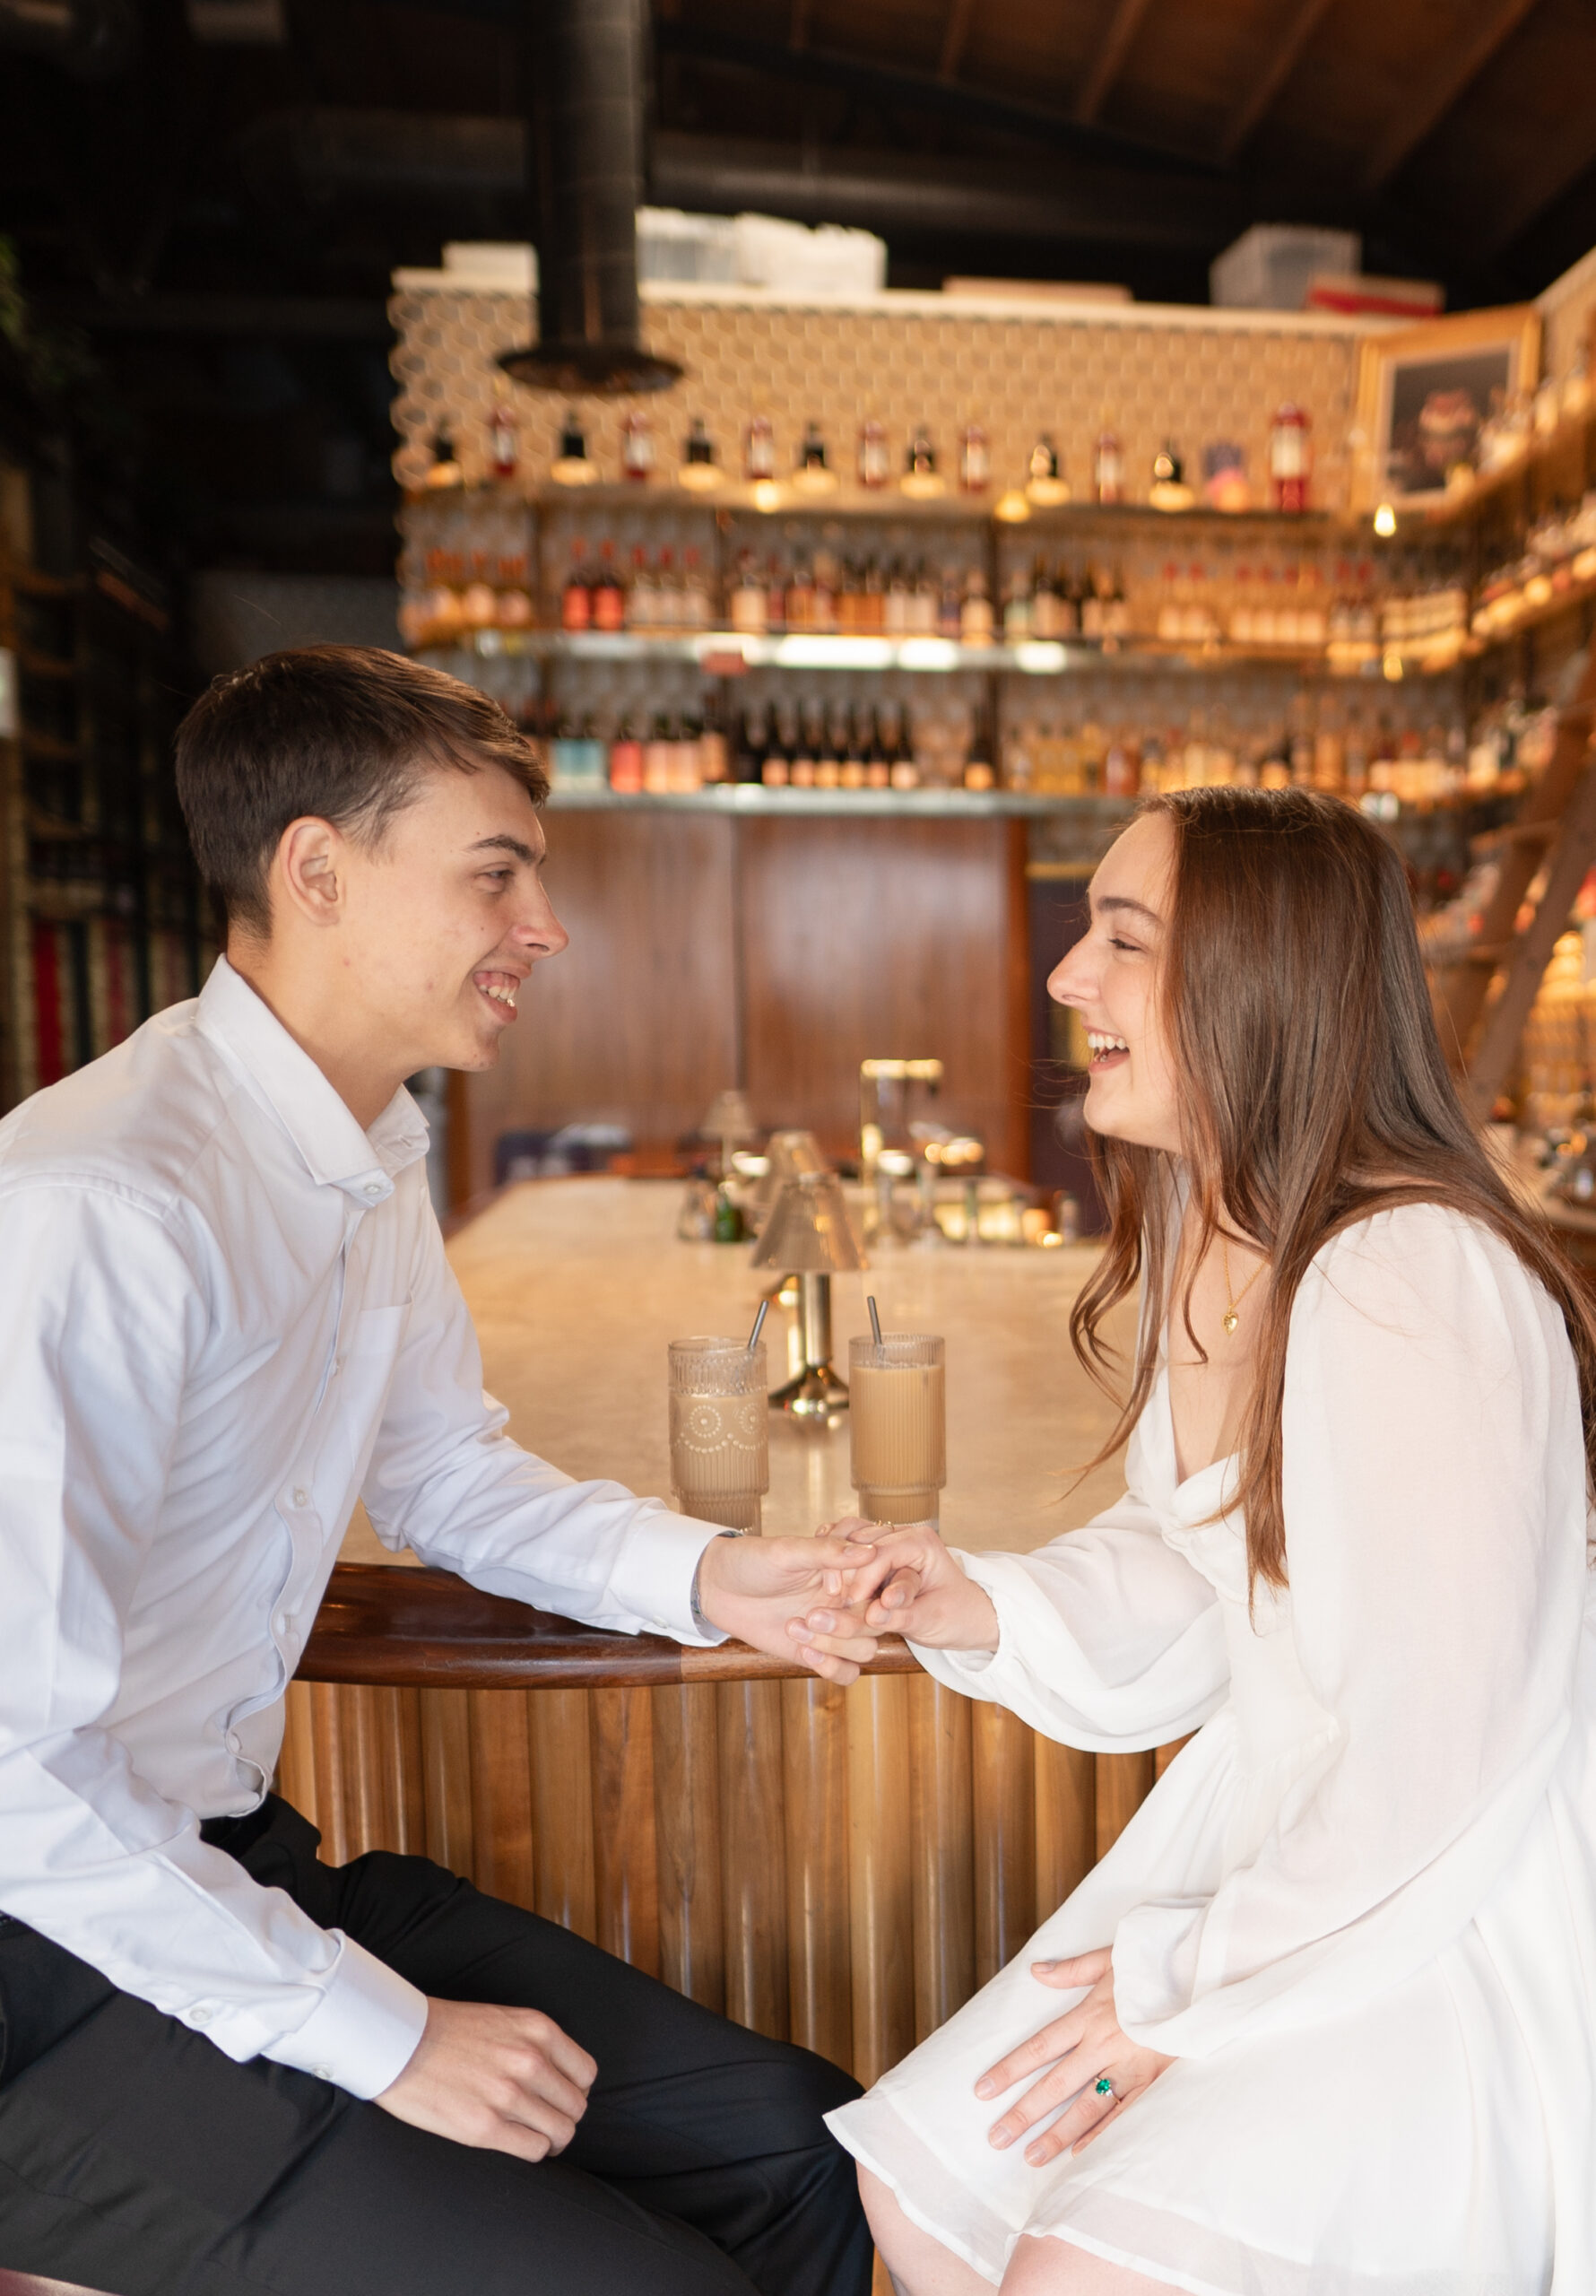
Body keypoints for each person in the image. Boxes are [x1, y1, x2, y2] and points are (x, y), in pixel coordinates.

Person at [0, 647, 877, 2296]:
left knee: (795, 2139)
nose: (543, 927)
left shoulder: (367, 1149)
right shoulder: (100, 1204)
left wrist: (712, 1575)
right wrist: (378, 2035)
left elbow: (449, 1477)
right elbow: (10, 1771)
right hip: (43, 1972)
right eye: (498, 875)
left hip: (223, 1864)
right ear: (316, 871)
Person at [795, 787, 1596, 2295]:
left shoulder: (1406, 1271)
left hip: (1436, 1897)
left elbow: (1440, 1747)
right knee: (923, 2195)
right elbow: (1209, 1564)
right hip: (1298, 1838)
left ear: (1257, 984)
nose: (1065, 980)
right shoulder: (1214, 1230)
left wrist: (1180, 1985)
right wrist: (989, 1606)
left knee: (1073, 2265)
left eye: (1122, 941)